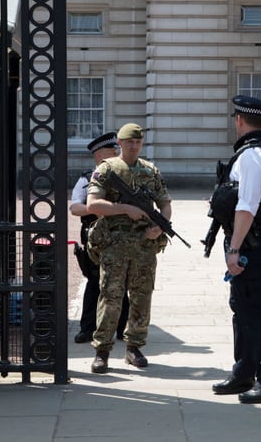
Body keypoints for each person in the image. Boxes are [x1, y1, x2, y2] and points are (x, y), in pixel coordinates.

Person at [209, 95, 261, 404]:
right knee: (242, 308)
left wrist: (234, 248)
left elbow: (247, 206)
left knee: (257, 311)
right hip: (251, 238)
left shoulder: (253, 155)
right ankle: (244, 372)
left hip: (249, 240)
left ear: (239, 120)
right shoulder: (259, 151)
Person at [85, 122, 171, 373]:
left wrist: (161, 226)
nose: (134, 146)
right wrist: (124, 208)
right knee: (110, 297)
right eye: (129, 142)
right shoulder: (107, 169)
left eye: (138, 142)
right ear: (120, 144)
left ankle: (134, 347)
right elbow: (93, 205)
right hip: (114, 245)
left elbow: (165, 203)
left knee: (142, 297)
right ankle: (102, 351)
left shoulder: (150, 170)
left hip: (145, 245)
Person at [68, 131, 129, 344]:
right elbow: (75, 208)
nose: (116, 152)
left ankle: (123, 329)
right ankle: (87, 328)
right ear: (98, 156)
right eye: (111, 151)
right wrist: (97, 208)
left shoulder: (127, 176)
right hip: (96, 239)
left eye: (116, 150)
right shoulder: (86, 179)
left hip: (122, 238)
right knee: (94, 282)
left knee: (122, 281)